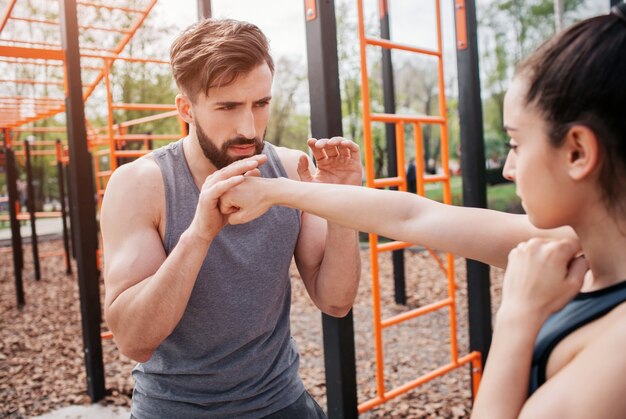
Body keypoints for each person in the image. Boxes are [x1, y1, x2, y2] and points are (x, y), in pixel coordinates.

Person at [222, 5, 626, 417]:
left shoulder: (617, 351)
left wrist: (517, 317)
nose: (507, 167)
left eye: (516, 144)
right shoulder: (571, 244)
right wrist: (276, 191)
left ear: (577, 151)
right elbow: (412, 216)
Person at [99, 18, 362, 418]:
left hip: (281, 402)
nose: (248, 127)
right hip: (175, 410)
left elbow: (336, 301)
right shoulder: (140, 185)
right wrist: (200, 233)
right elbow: (134, 340)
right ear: (186, 109)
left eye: (260, 104)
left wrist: (342, 201)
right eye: (228, 106)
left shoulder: (293, 170)